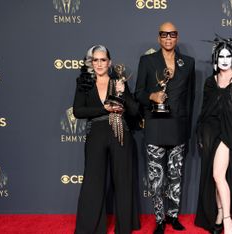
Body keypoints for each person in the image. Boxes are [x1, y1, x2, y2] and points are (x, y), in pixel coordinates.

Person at [134, 22, 195, 234]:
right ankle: (159, 219)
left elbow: (190, 100)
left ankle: (173, 216)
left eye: (172, 34)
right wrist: (151, 96)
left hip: (178, 127)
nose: (168, 38)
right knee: (156, 178)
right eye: (164, 34)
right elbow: (138, 93)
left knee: (176, 176)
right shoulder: (147, 61)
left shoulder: (188, 63)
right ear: (159, 38)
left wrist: (188, 130)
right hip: (156, 126)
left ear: (177, 37)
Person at [73, 45, 140, 234]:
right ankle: (89, 228)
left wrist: (124, 94)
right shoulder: (83, 83)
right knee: (93, 182)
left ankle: (124, 228)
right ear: (90, 62)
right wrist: (105, 109)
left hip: (120, 133)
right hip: (96, 133)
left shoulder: (119, 82)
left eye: (103, 60)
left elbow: (134, 111)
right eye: (96, 60)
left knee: (123, 181)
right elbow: (78, 111)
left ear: (109, 62)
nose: (99, 63)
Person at [195, 37, 232, 234]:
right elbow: (205, 109)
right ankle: (218, 213)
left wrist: (230, 132)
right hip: (211, 132)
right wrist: (201, 132)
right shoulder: (211, 81)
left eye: (228, 56)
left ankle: (227, 221)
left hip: (229, 133)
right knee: (215, 176)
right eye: (221, 56)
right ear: (215, 59)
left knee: (219, 175)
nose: (225, 60)